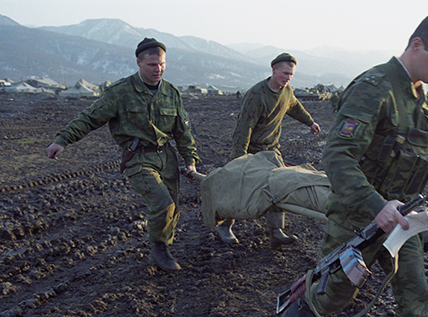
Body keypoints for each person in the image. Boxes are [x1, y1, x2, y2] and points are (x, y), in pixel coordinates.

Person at [279, 14, 428, 317]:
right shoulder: (374, 87)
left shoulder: (416, 95)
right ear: (416, 45)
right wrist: (376, 205)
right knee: (336, 295)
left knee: (416, 293)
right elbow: (338, 156)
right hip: (357, 215)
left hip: (401, 218)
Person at [47, 38, 199, 272]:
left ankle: (162, 247)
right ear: (138, 63)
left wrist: (189, 160)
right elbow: (89, 118)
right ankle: (159, 248)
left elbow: (182, 130)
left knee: (173, 208)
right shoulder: (120, 92)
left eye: (161, 64)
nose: (157, 69)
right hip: (138, 158)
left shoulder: (171, 92)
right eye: (151, 65)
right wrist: (62, 139)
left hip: (166, 157)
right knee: (162, 202)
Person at [215, 52, 321, 247]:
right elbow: (244, 127)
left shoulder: (287, 91)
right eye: (284, 73)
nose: (288, 77)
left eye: (291, 74)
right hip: (252, 149)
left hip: (272, 149)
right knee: (240, 187)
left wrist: (310, 122)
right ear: (274, 70)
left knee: (278, 185)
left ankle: (276, 231)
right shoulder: (256, 95)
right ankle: (225, 225)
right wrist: (239, 158)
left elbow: (295, 106)